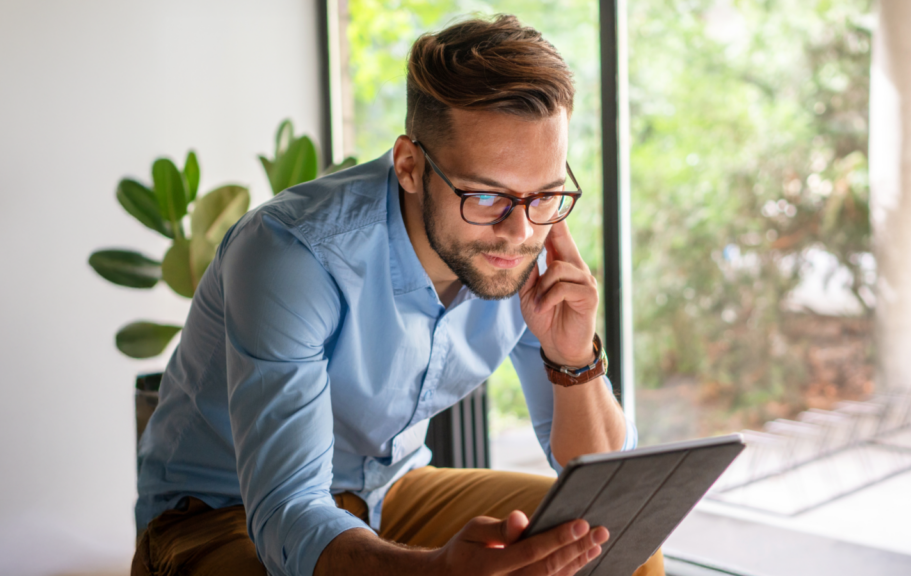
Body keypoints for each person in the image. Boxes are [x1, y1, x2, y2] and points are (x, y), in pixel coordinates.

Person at [132, 14, 663, 576]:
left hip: (390, 491)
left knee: (619, 545)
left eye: (546, 194)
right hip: (221, 513)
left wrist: (573, 359)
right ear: (410, 166)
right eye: (486, 197)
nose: (520, 232)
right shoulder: (291, 254)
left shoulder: (525, 246)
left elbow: (607, 486)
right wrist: (436, 570)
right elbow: (288, 515)